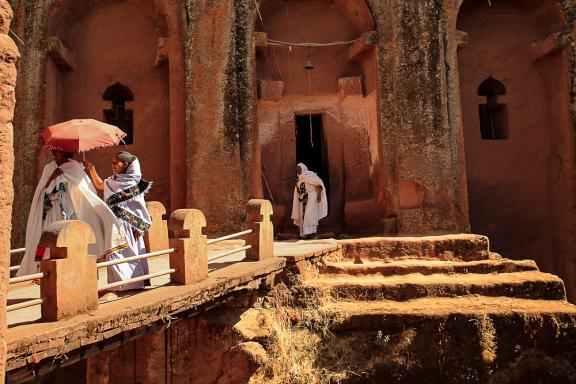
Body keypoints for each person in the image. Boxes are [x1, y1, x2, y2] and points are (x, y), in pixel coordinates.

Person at [17, 150, 127, 277]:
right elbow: (44, 192)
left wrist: (67, 182)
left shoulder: (74, 167)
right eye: (52, 149)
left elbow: (85, 191)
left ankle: (74, 271)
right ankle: (42, 269)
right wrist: (53, 177)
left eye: (57, 150)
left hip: (70, 213)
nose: (54, 152)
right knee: (45, 240)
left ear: (65, 151)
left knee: (70, 242)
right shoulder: (49, 168)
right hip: (51, 211)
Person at [84, 151, 152, 292]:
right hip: (114, 224)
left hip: (130, 227)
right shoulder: (112, 180)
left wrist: (139, 226)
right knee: (115, 254)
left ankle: (133, 284)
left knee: (130, 254)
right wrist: (91, 168)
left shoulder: (134, 183)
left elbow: (139, 207)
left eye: (116, 162)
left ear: (125, 164)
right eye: (113, 162)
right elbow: (100, 185)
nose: (113, 165)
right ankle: (118, 286)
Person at [291, 163, 328, 239]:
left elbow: (319, 185)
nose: (298, 171)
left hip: (311, 197)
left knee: (310, 215)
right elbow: (298, 190)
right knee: (302, 215)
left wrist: (319, 196)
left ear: (303, 168)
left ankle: (312, 232)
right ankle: (304, 234)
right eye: (297, 170)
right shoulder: (299, 179)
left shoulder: (310, 175)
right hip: (302, 199)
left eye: (299, 169)